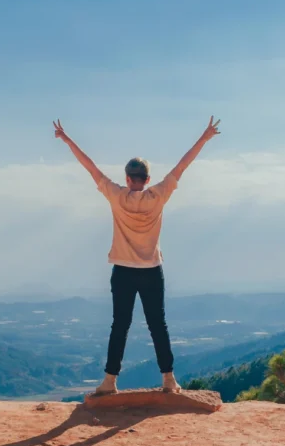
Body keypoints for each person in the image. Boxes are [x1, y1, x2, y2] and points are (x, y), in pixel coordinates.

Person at [53, 117, 221, 395]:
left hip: (123, 271)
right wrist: (204, 137)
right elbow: (182, 166)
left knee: (120, 325)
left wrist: (68, 139)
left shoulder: (116, 196)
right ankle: (169, 379)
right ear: (148, 179)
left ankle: (110, 381)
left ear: (128, 179)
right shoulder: (159, 195)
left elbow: (90, 168)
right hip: (152, 270)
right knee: (158, 325)